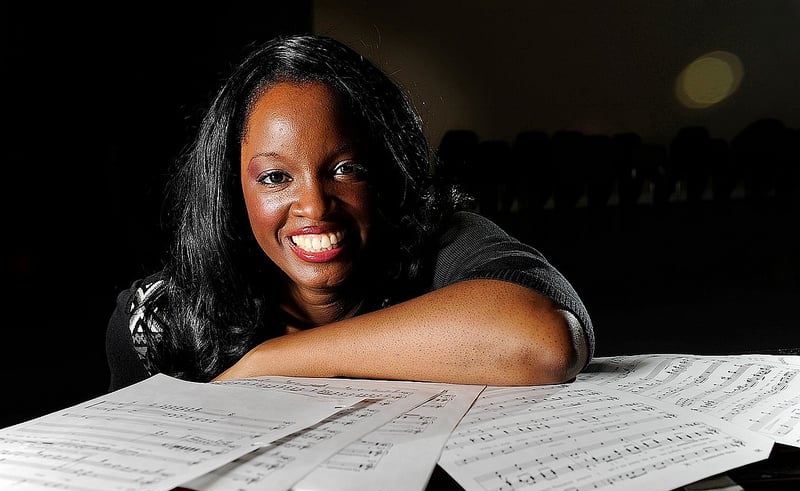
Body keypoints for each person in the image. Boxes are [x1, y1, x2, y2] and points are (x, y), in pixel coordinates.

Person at [105, 33, 595, 391]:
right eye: (276, 177)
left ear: (385, 171)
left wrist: (270, 361)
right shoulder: (158, 325)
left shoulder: (444, 242)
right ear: (233, 192)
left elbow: (545, 340)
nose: (315, 206)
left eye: (345, 169)